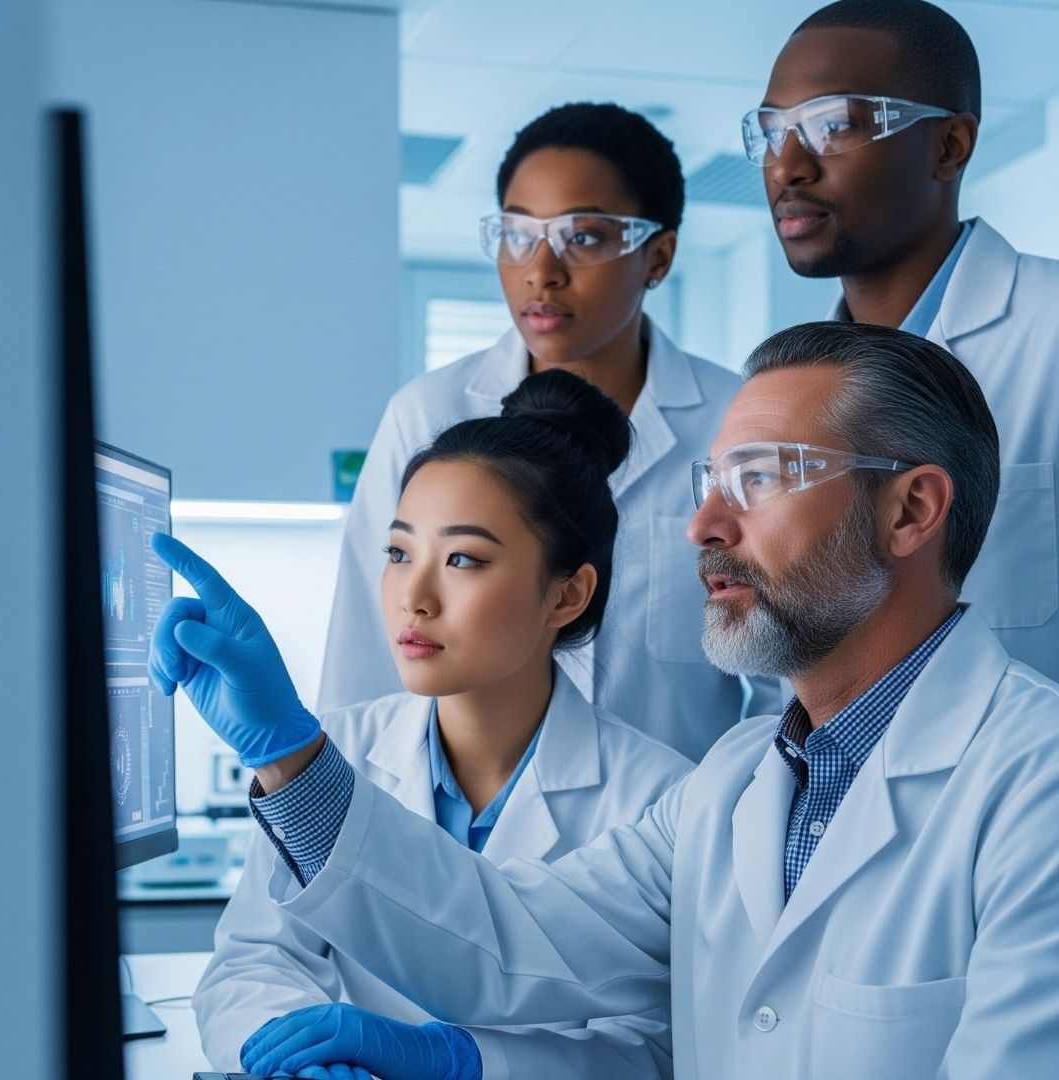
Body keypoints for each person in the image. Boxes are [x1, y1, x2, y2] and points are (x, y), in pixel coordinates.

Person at [152, 322, 1059, 1079]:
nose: (705, 524)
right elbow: (507, 936)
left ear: (909, 511)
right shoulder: (734, 784)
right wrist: (293, 760)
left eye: (764, 477)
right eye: (711, 483)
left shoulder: (1033, 782)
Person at [168, 370, 694, 1078]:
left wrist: (465, 1065)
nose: (413, 597)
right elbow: (253, 963)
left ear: (567, 594)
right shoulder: (340, 750)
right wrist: (294, 1056)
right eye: (398, 553)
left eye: (462, 559)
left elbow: (657, 1046)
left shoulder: (661, 798)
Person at [318, 102, 781, 763]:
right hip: (456, 842)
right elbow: (361, 669)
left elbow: (786, 673)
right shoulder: (432, 415)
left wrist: (730, 813)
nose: (541, 269)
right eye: (518, 234)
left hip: (674, 839)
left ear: (658, 256)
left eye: (583, 236)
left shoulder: (736, 422)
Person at [747, 0, 1059, 680]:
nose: (787, 165)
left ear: (949, 146)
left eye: (832, 126)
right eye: (773, 130)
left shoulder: (1050, 329)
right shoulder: (785, 383)